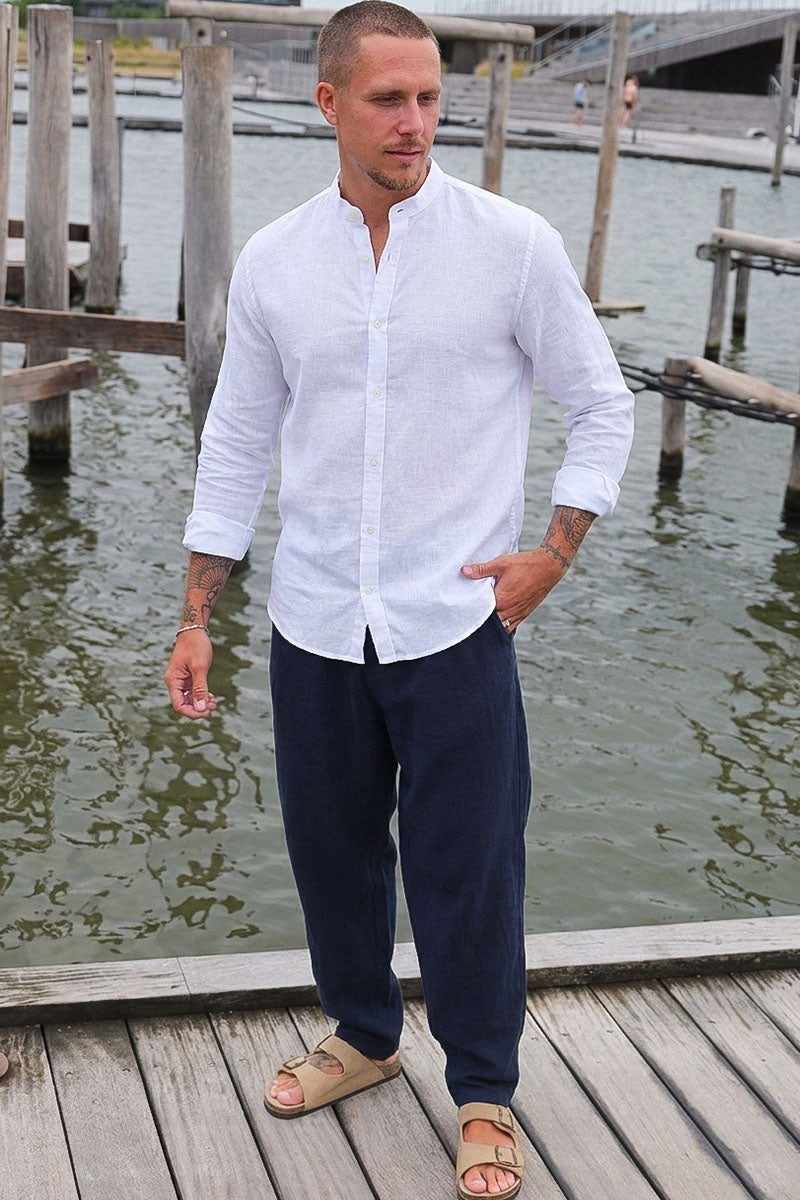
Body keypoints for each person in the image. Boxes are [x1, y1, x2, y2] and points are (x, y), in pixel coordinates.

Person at [164, 4, 634, 1197]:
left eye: (428, 97)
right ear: (329, 104)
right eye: (387, 98)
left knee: (467, 866)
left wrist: (552, 553)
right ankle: (366, 1036)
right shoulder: (275, 261)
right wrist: (195, 613)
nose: (414, 121)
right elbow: (236, 441)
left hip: (456, 619)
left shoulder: (510, 247)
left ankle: (481, 1090)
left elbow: (600, 403)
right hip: (316, 618)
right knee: (330, 853)